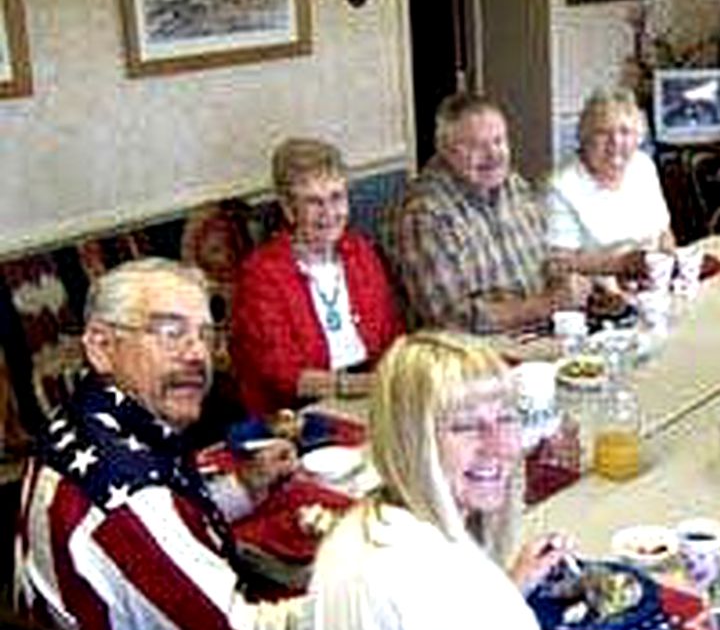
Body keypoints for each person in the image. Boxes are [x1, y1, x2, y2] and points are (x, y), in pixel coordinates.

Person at [302, 332, 680, 630]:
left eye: (506, 417)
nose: (502, 445)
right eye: (465, 427)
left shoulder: (348, 535)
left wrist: (507, 588)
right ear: (410, 440)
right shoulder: (471, 600)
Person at [13, 257, 313, 630]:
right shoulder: (132, 497)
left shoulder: (82, 420)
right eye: (170, 331)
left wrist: (244, 486)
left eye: (203, 334)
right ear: (101, 346)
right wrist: (341, 598)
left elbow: (162, 530)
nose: (198, 353)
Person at [231, 137, 404, 416]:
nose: (329, 214)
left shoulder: (359, 251)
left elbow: (391, 334)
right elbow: (284, 375)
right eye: (313, 202)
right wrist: (364, 386)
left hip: (370, 393)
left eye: (337, 197)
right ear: (288, 209)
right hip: (299, 414)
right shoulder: (262, 274)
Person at [394, 95, 591, 333]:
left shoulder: (513, 184)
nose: (493, 154)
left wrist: (578, 287)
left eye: (499, 141)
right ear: (445, 149)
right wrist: (548, 304)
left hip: (539, 337)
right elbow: (451, 320)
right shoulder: (424, 213)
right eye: (476, 146)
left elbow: (545, 261)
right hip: (475, 356)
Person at [547, 87, 675, 277]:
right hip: (600, 294)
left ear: (638, 137)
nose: (615, 142)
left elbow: (664, 232)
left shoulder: (643, 165)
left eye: (625, 132)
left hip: (652, 282)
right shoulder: (561, 186)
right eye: (602, 132)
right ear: (584, 137)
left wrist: (672, 264)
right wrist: (622, 264)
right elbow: (559, 261)